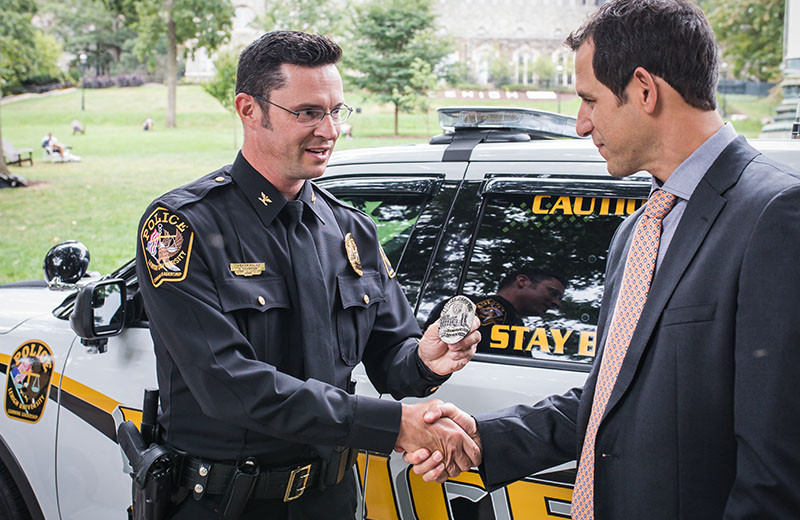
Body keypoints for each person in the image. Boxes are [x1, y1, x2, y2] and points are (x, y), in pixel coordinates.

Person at [405, 1, 800, 518]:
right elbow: (615, 395)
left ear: (643, 89)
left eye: (590, 100)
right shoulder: (639, 230)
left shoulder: (775, 216)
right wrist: (484, 436)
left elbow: (776, 468)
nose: (580, 125)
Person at [135, 31, 480, 519]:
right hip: (226, 504)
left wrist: (427, 358)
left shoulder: (350, 228)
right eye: (308, 113)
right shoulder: (183, 225)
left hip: (332, 498)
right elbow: (228, 383)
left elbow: (391, 359)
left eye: (337, 111)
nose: (330, 129)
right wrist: (394, 425)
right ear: (249, 110)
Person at [423, 269, 566, 355]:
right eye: (553, 293)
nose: (556, 303)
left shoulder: (510, 318)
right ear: (522, 281)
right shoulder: (487, 309)